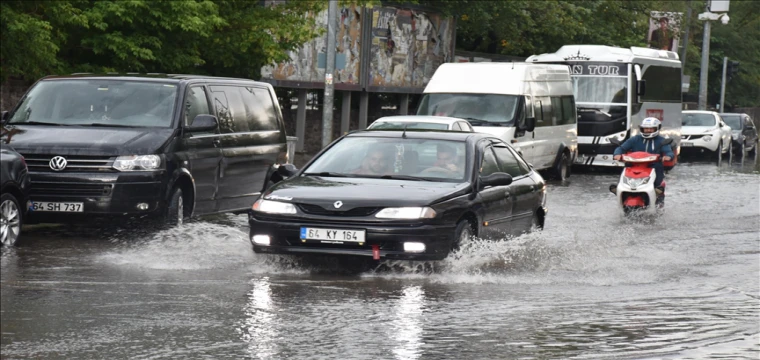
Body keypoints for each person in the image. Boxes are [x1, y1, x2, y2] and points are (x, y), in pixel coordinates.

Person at [613, 117, 674, 206]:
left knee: (658, 184)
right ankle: (620, 190)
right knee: (623, 176)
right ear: (641, 129)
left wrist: (667, 156)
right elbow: (621, 148)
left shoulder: (662, 141)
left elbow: (668, 152)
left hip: (653, 167)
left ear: (657, 128)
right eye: (646, 128)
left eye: (651, 128)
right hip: (633, 166)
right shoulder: (635, 139)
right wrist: (617, 154)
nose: (648, 130)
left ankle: (657, 194)